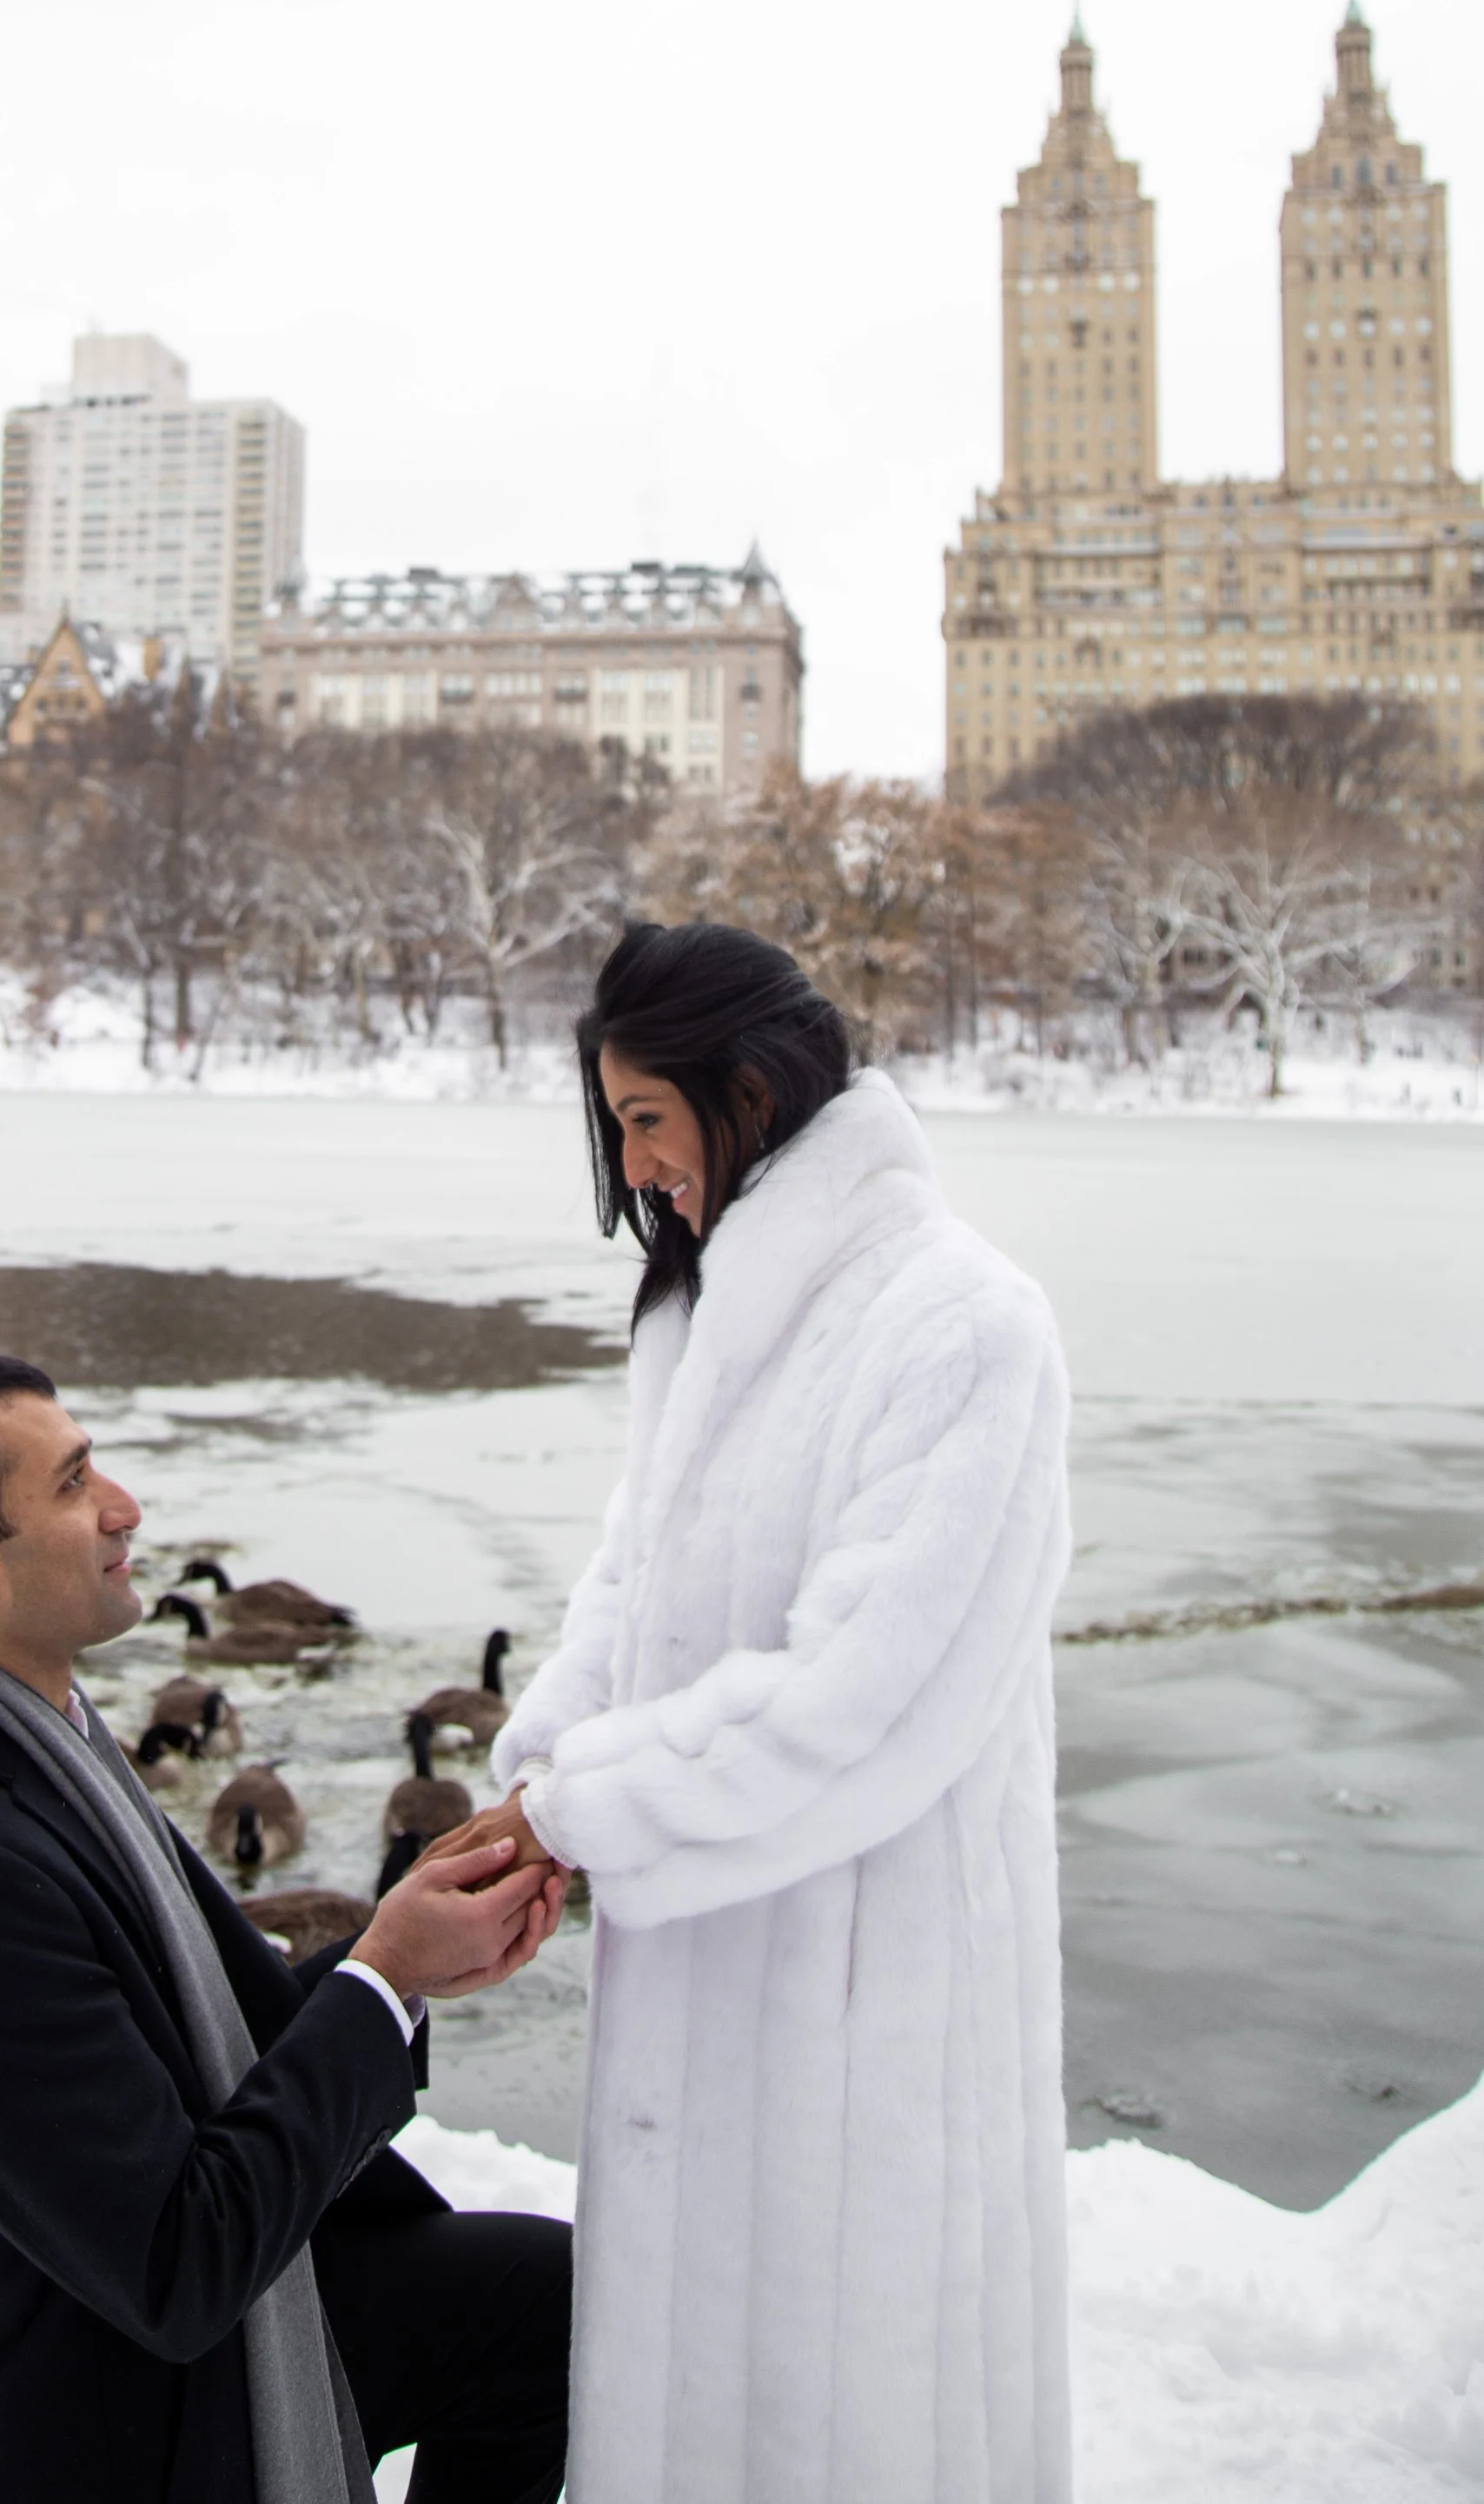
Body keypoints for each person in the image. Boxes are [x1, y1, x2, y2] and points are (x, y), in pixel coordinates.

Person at [427, 920, 1074, 2504]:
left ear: (757, 1086)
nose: (636, 1166)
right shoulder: (704, 1317)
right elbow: (632, 1585)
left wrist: (590, 1808)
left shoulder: (964, 1325)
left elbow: (863, 1696)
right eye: (620, 1126)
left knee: (849, 2408)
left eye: (648, 1119)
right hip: (703, 1964)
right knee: (692, 2390)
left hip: (869, 1995)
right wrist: (538, 1762)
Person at [0, 1351, 573, 2504]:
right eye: (71, 1485)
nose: (124, 1505)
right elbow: (176, 2259)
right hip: (106, 2418)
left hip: (164, 2324)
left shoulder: (41, 1742)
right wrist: (378, 1977)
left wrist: (413, 1954)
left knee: (543, 2306)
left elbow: (199, 2042)